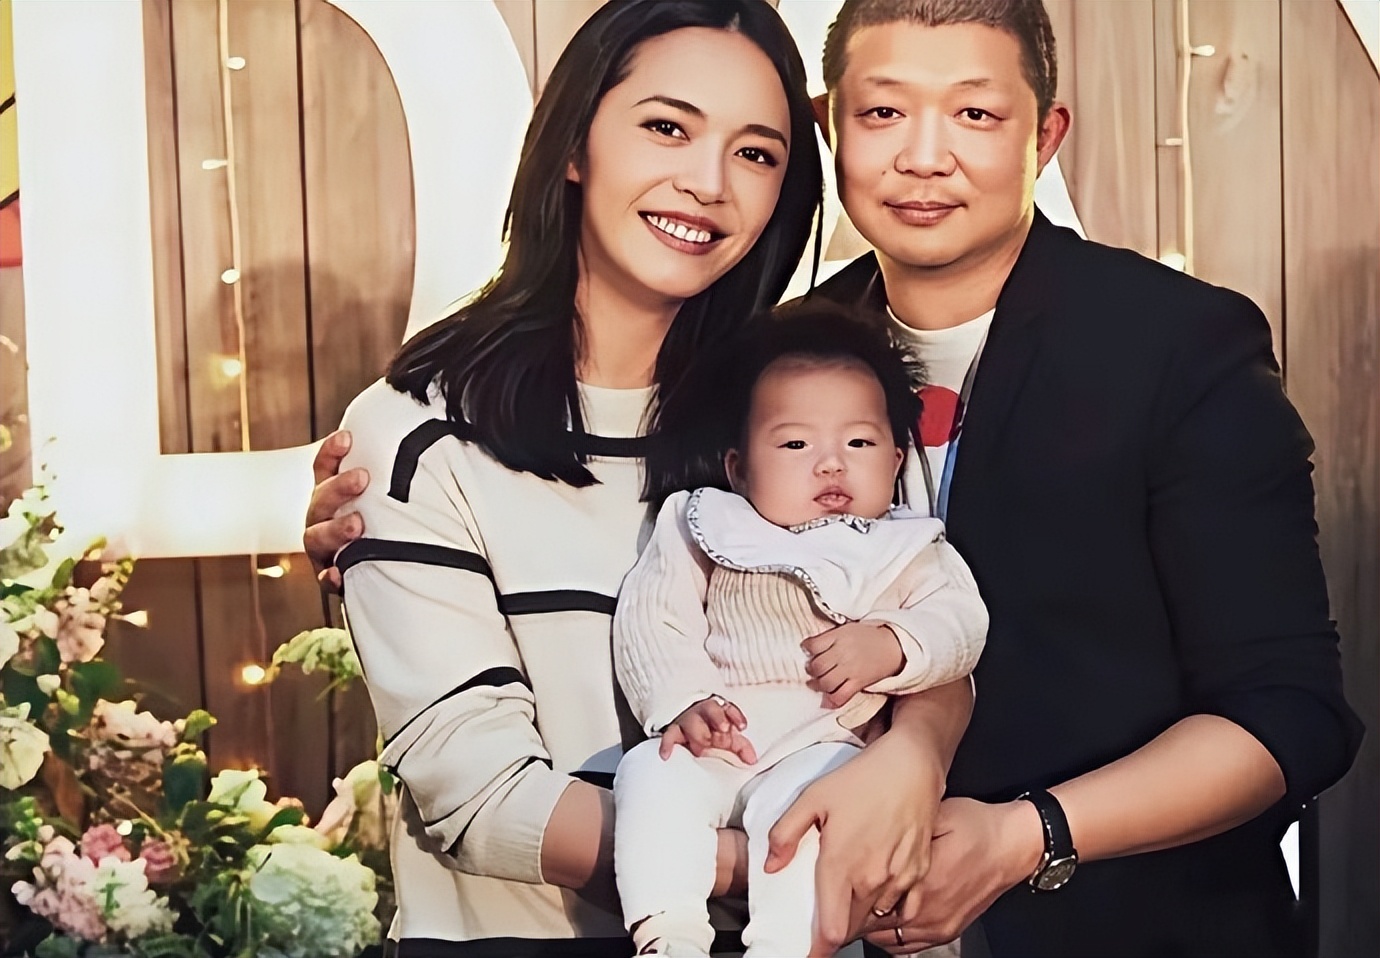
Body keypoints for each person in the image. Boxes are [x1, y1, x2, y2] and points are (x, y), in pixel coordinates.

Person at [307, 1, 973, 954]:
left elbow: (929, 626)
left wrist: (915, 758)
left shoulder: (811, 414)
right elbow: (476, 797)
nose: (707, 183)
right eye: (667, 127)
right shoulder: (418, 434)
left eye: (756, 153)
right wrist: (798, 860)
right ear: (576, 144)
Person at [759, 1, 1361, 955]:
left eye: (974, 114)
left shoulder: (1178, 344)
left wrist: (1025, 837)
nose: (924, 157)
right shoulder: (780, 356)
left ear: (1044, 137)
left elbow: (1288, 713)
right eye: (883, 113)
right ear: (831, 126)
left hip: (1141, 929)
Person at [610, 308, 988, 957]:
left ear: (897, 460)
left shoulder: (909, 548)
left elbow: (961, 623)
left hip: (829, 746)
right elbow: (653, 615)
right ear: (738, 468)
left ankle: (787, 947)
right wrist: (681, 700)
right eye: (794, 446)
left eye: (859, 444)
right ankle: (667, 934)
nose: (831, 465)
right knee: (650, 774)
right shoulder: (709, 524)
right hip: (721, 737)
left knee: (814, 825)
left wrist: (894, 643)